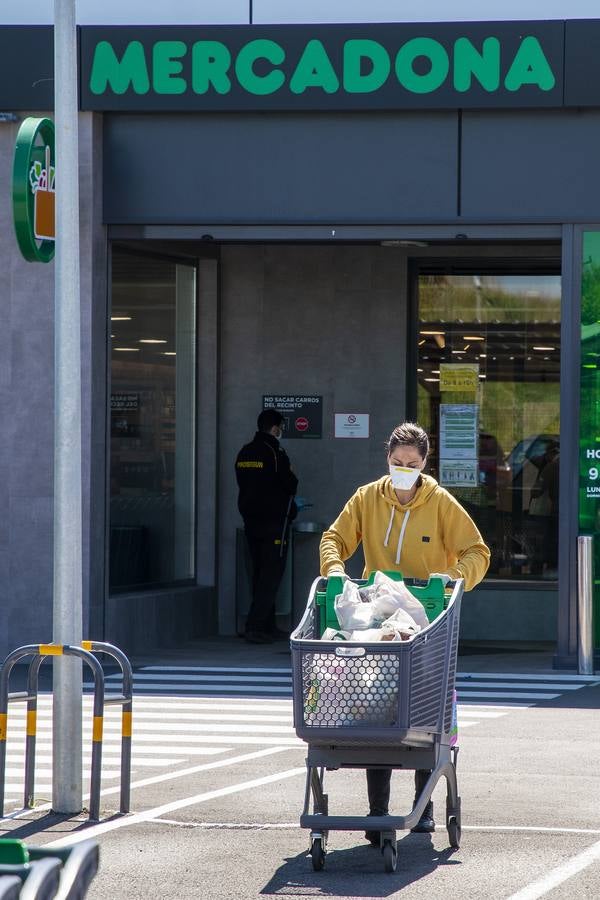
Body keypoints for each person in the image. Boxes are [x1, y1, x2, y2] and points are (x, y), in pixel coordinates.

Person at [319, 421, 490, 843]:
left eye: (411, 464)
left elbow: (477, 551)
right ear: (386, 459)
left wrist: (450, 578)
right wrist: (336, 571)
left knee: (422, 714)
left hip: (428, 619)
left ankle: (424, 807)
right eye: (396, 462)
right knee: (376, 710)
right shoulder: (367, 498)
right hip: (378, 620)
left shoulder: (441, 503)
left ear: (424, 464)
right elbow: (334, 538)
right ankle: (377, 812)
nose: (403, 470)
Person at [236, 408, 298, 644]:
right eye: (280, 427)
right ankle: (255, 626)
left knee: (259, 574)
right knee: (271, 575)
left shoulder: (245, 452)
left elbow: (242, 483)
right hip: (274, 523)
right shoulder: (274, 452)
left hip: (251, 521)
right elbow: (290, 483)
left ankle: (267, 625)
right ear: (275, 428)